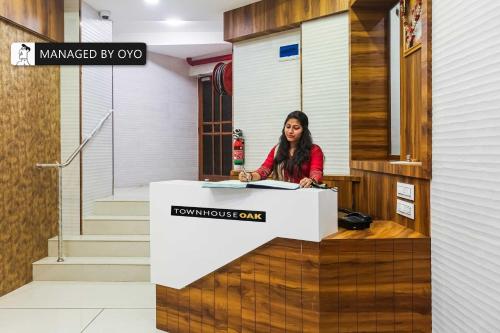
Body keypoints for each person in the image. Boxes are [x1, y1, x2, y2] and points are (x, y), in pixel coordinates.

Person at [239, 111, 324, 188]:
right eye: (288, 127)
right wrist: (249, 176)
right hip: (281, 195)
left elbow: (316, 172)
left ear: (304, 131)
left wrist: (311, 180)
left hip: (303, 194)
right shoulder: (277, 149)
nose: (290, 131)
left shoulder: (314, 150)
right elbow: (264, 170)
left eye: (296, 128)